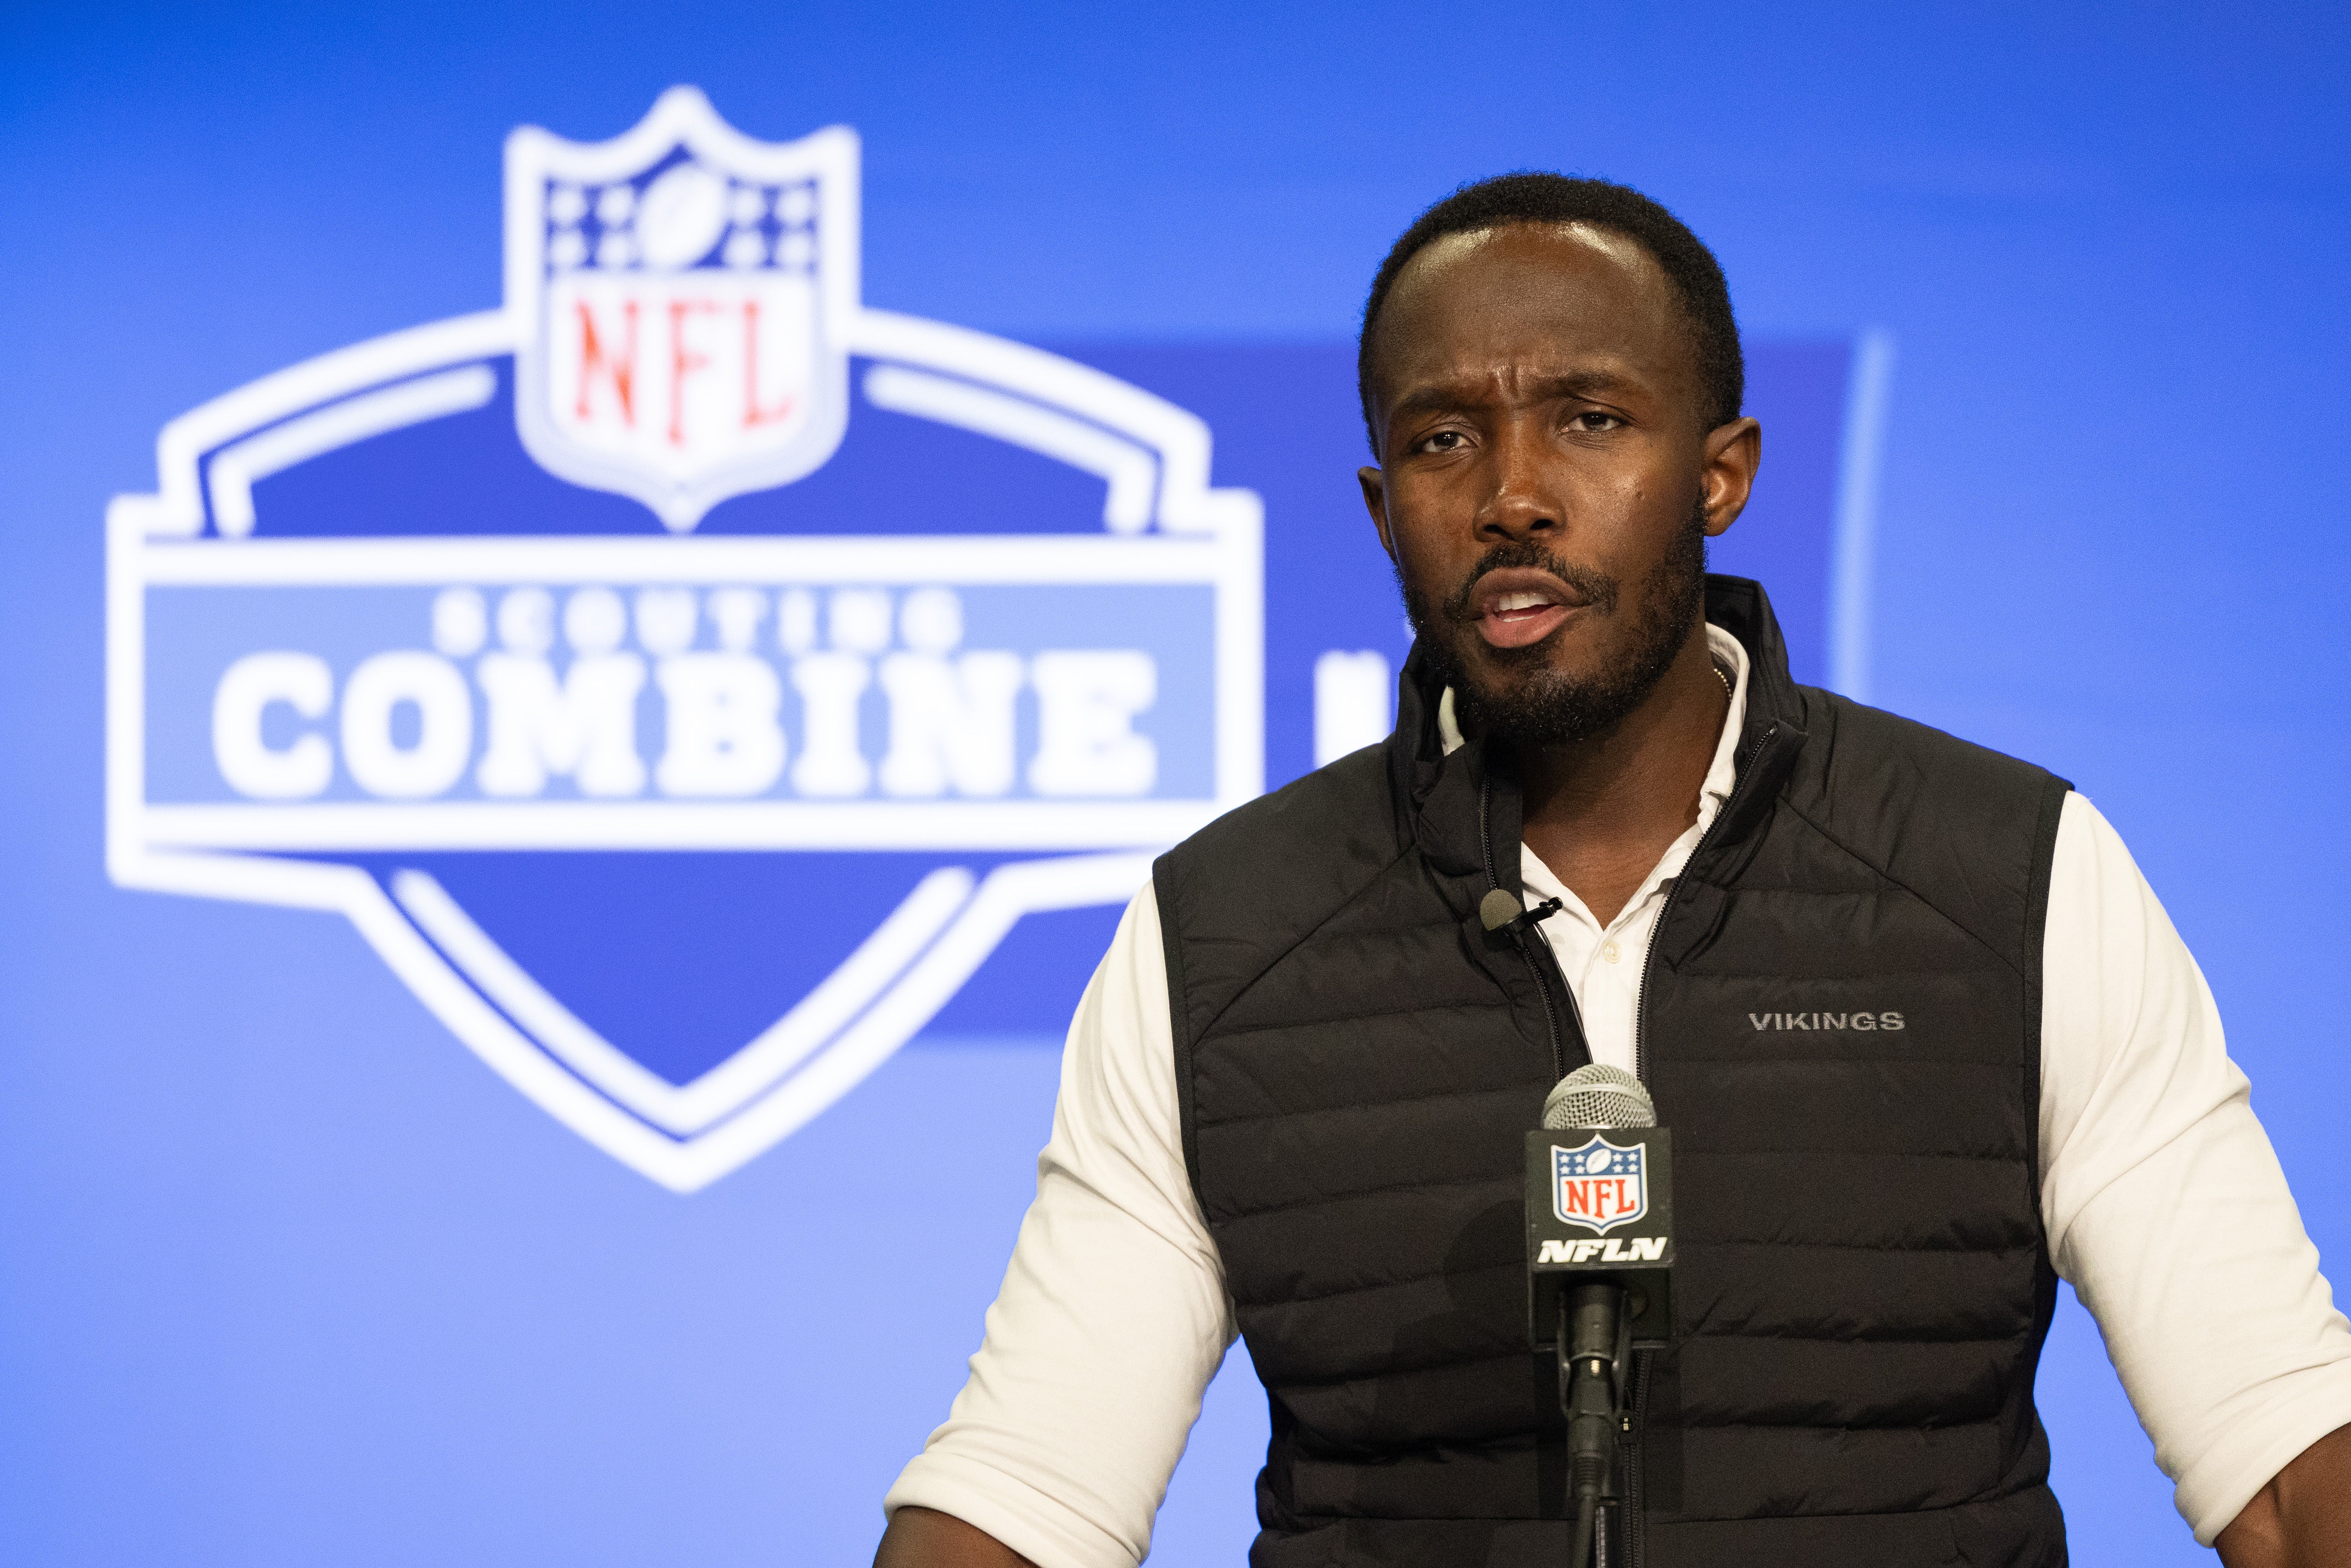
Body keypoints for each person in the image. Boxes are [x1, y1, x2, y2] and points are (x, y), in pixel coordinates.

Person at [873, 174, 2351, 1567]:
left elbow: (2285, 1470)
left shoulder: (2007, 875)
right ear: (1384, 508)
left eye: (1587, 418)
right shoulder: (1224, 932)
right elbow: (1026, 1494)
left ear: (1721, 477)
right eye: (1443, 438)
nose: (1511, 493)